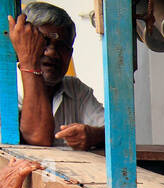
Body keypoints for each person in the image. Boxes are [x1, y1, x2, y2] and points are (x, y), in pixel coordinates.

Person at [9, 3, 105, 151]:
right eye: (43, 42)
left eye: (61, 46)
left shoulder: (75, 89)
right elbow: (39, 139)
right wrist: (28, 61)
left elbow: (117, 132)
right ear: (25, 44)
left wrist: (93, 135)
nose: (52, 53)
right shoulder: (6, 89)